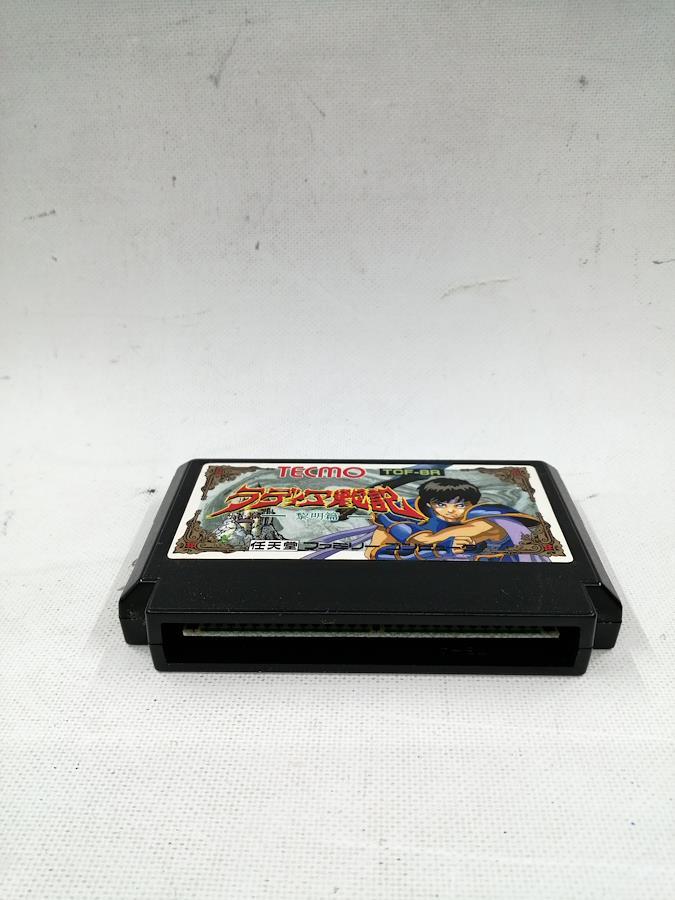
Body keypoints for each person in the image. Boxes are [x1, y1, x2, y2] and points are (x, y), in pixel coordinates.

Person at [366, 476, 547, 562]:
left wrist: (443, 541)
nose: (451, 511)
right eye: (442, 505)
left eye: (460, 505)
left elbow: (488, 529)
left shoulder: (485, 515)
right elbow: (375, 552)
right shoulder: (401, 511)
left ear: (472, 504)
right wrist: (443, 546)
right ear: (429, 504)